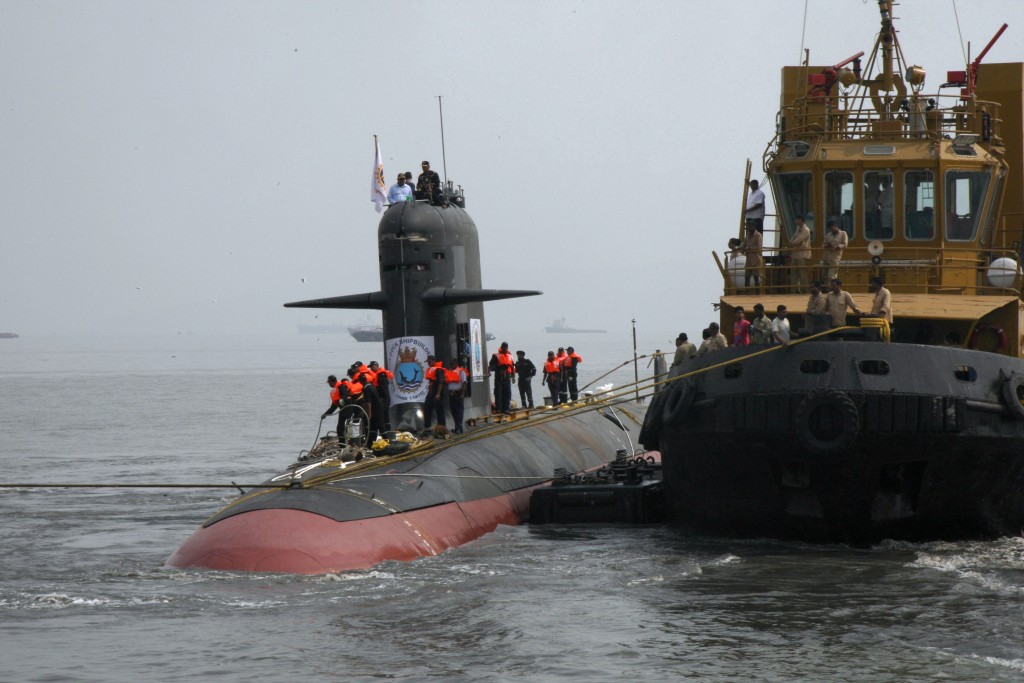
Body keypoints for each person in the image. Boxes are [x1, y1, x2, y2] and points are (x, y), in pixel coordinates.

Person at [489, 341, 515, 413]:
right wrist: (489, 371)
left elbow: (512, 367)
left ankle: (506, 408)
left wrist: (513, 377)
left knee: (507, 393)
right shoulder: (496, 356)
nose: (505, 348)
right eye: (504, 347)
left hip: (507, 376)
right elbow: (491, 364)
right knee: (498, 392)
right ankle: (498, 408)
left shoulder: (510, 356)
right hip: (499, 375)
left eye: (506, 347)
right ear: (501, 347)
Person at [445, 358, 467, 434]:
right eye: (450, 364)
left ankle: (459, 428)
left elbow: (464, 383)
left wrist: (462, 393)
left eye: (453, 364)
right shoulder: (449, 372)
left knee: (459, 411)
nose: (451, 365)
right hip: (451, 394)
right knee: (453, 411)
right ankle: (457, 427)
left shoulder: (461, 372)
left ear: (456, 363)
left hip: (458, 394)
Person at [423, 355, 445, 429]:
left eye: (430, 361)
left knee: (440, 412)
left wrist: (438, 394)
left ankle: (442, 428)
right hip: (431, 394)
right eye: (428, 362)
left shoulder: (439, 370)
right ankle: (427, 428)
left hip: (437, 394)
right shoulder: (431, 369)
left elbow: (441, 382)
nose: (428, 363)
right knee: (426, 409)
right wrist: (429, 393)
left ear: (434, 361)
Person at [790, 215, 812, 290]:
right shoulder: (798, 228)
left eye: (796, 220)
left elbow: (798, 240)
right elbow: (793, 238)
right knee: (793, 274)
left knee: (802, 274)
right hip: (795, 254)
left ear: (800, 220)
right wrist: (791, 242)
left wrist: (791, 243)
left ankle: (804, 290)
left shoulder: (806, 230)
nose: (795, 221)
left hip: (803, 255)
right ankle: (794, 290)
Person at [741, 224, 762, 289]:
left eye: (750, 227)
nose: (749, 229)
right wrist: (737, 248)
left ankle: (757, 293)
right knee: (747, 277)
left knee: (756, 278)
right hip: (748, 260)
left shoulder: (758, 235)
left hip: (756, 260)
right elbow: (743, 244)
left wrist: (749, 248)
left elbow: (758, 247)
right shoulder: (748, 235)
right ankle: (746, 292)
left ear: (754, 227)